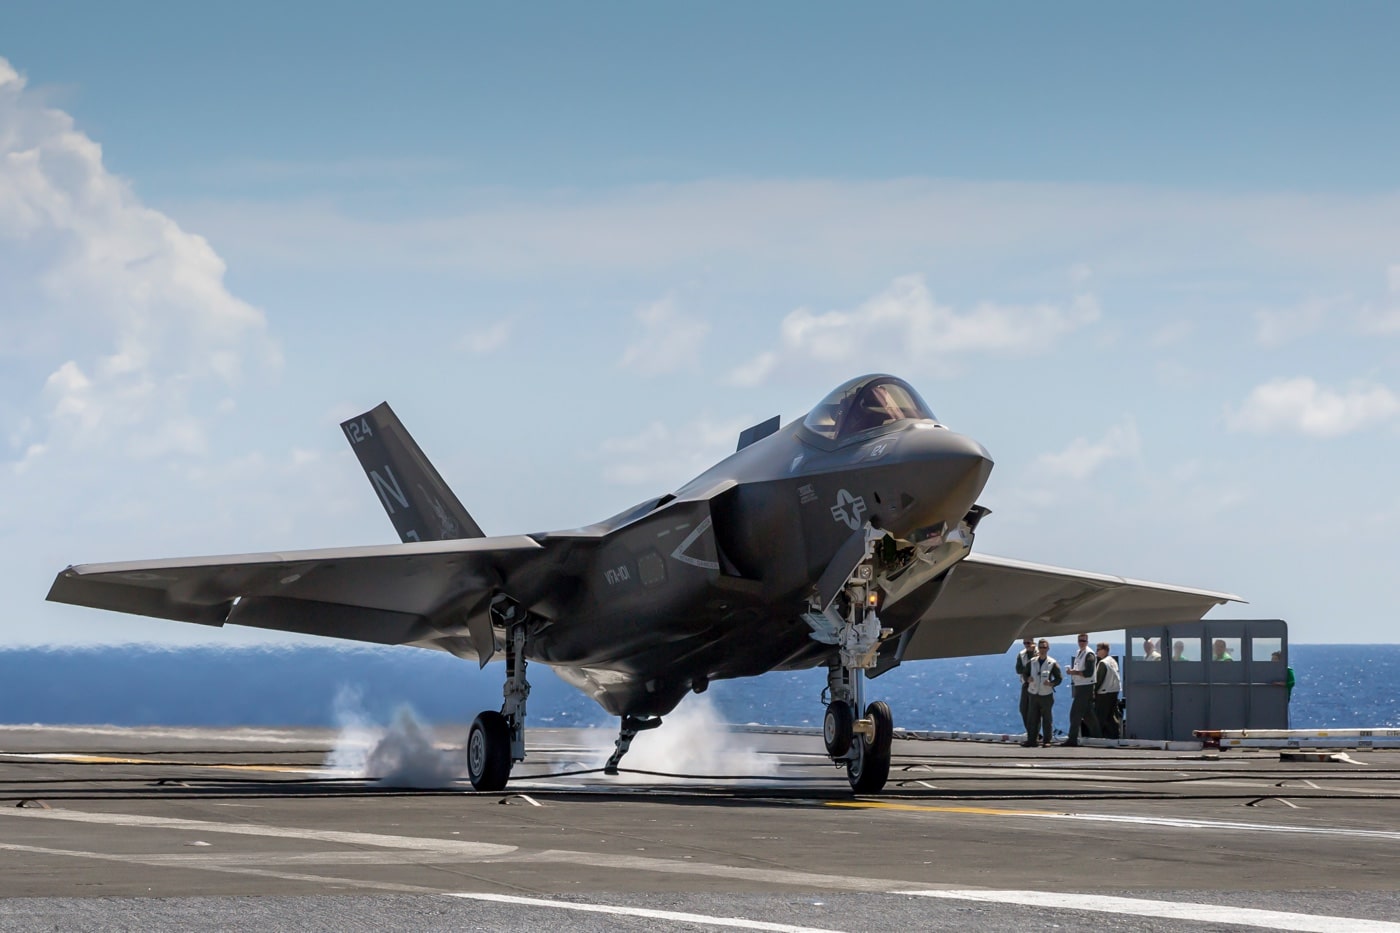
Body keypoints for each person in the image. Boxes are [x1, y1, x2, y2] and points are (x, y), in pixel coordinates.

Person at [1063, 633, 1100, 746]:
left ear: (1087, 642)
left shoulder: (1089, 654)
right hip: (1080, 686)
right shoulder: (1079, 653)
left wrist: (1073, 672)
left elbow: (1088, 673)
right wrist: (1073, 671)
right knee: (1088, 715)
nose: (1081, 642)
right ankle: (1099, 736)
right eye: (1080, 640)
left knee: (1075, 713)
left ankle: (1072, 739)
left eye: (1083, 641)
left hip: (1085, 687)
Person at [1023, 639, 1062, 747]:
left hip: (1046, 695)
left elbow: (1059, 678)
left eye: (1044, 647)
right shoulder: (1032, 662)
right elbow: (1024, 674)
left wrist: (1051, 683)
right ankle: (1032, 740)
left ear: (1048, 649)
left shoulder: (1052, 663)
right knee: (1032, 718)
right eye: (1040, 647)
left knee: (1047, 719)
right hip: (1033, 693)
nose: (1042, 650)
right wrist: (1028, 679)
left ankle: (1047, 741)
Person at [1093, 642, 1121, 740]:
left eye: (1098, 649)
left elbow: (1098, 680)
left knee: (1100, 716)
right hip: (1114, 691)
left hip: (1104, 693)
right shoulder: (1112, 661)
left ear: (1104, 650)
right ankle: (1115, 736)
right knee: (1112, 716)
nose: (1096, 652)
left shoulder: (1103, 663)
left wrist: (1093, 692)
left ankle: (1097, 737)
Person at [1014, 637, 1036, 743]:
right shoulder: (1021, 654)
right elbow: (1018, 669)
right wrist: (1027, 672)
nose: (1026, 645)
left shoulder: (1038, 653)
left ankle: (1034, 735)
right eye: (1025, 643)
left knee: (1035, 711)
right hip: (1025, 684)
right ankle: (1031, 732)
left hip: (1036, 685)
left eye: (1028, 643)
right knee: (1024, 709)